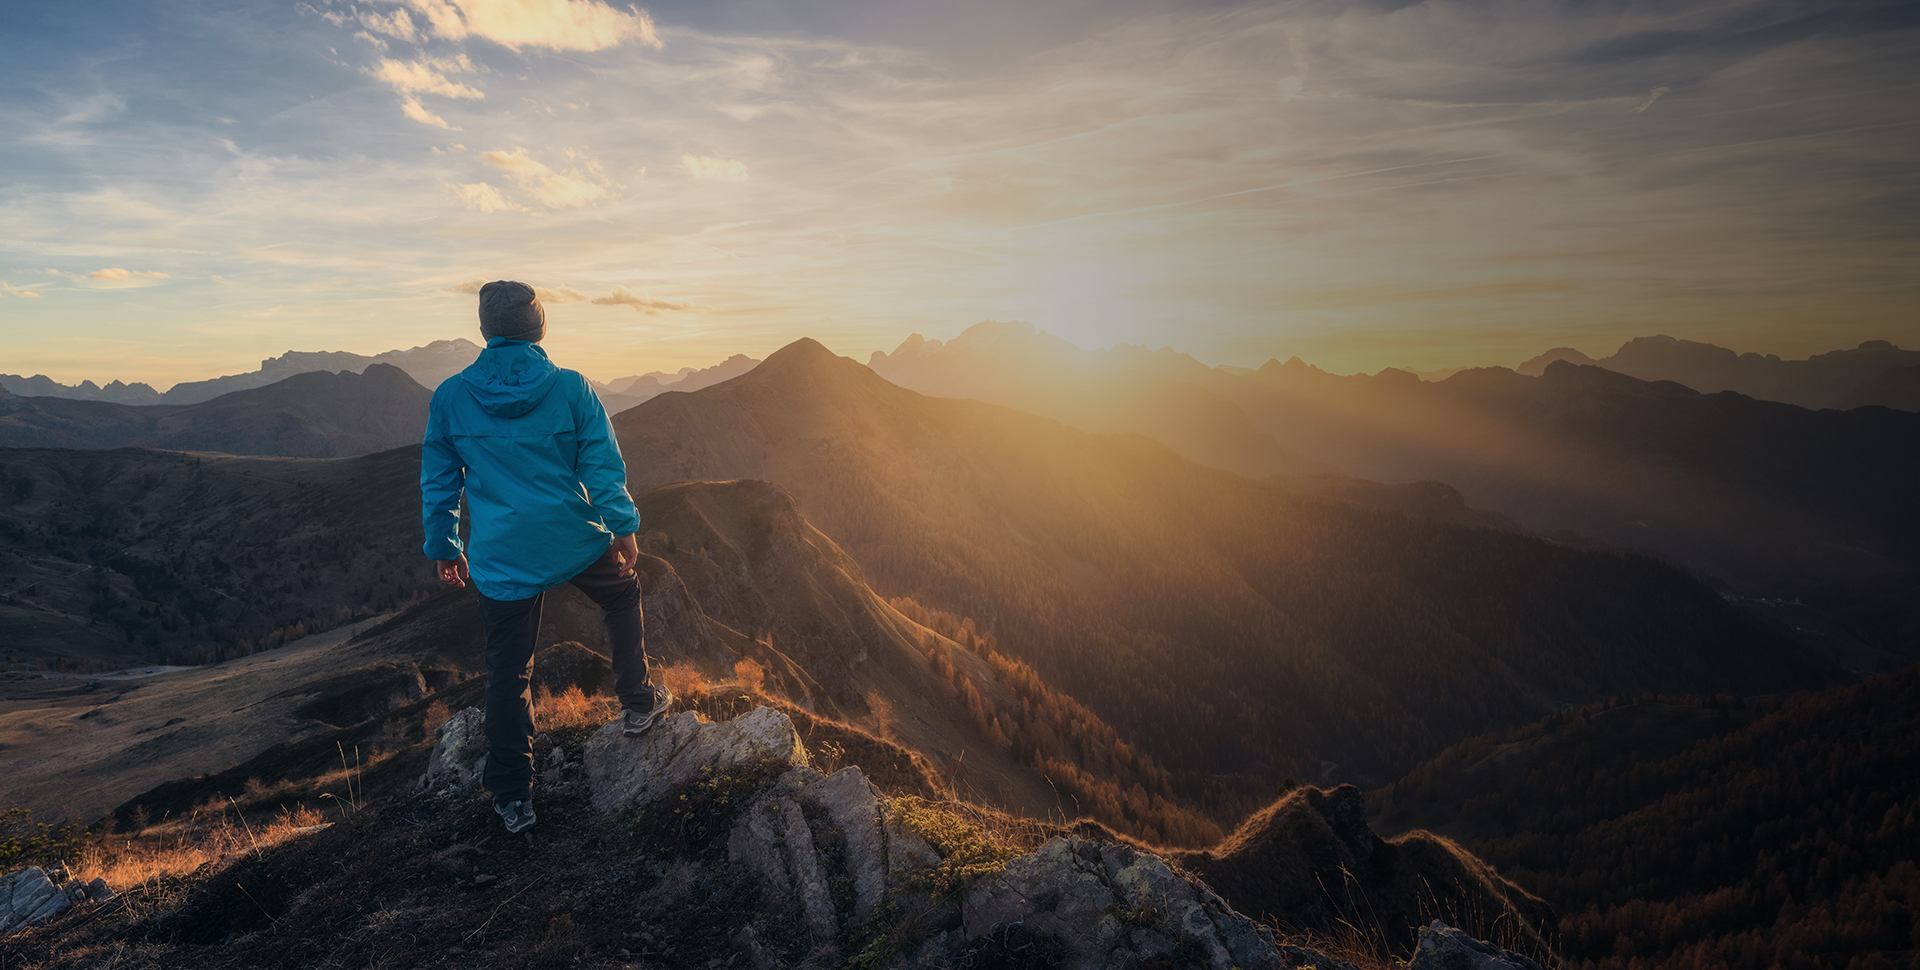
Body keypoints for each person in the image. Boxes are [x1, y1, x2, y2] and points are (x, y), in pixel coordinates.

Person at [420, 279, 672, 834]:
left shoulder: (452, 396)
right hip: (573, 537)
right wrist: (622, 526)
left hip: (502, 556)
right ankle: (636, 702)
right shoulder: (571, 388)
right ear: (538, 328)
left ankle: (513, 797)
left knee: (508, 672)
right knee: (622, 594)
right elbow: (601, 467)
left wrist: (445, 546)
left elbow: (439, 484)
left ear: (486, 330)